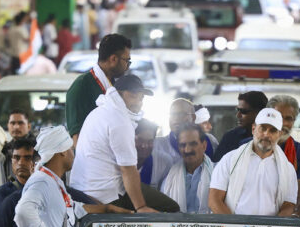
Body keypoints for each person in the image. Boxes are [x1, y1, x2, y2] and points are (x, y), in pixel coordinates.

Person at [71, 74, 177, 212]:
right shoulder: (119, 120)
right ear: (119, 94)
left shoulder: (99, 112)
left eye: (141, 97)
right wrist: (141, 207)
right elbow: (127, 170)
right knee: (170, 207)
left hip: (82, 188)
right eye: (133, 96)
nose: (138, 102)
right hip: (105, 193)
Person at [208, 108, 297, 216]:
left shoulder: (288, 169)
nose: (266, 134)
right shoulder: (229, 160)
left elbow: (288, 205)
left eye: (272, 130)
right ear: (253, 129)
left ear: (279, 134)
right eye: (262, 128)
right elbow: (214, 200)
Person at [65, 33, 131, 142]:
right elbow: (78, 138)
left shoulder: (115, 86)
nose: (127, 67)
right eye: (127, 61)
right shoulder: (82, 86)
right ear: (113, 59)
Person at [146, 99, 214, 188]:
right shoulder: (157, 146)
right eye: (172, 114)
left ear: (193, 118)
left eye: (181, 114)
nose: (176, 118)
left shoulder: (210, 141)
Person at [268, 94, 300, 204]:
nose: (283, 123)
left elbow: (299, 189)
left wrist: (286, 217)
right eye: (278, 117)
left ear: (294, 121)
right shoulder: (248, 146)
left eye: (288, 119)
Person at [160, 124, 214, 213]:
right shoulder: (169, 180)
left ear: (204, 146)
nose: (187, 150)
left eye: (193, 144)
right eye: (183, 145)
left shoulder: (217, 174)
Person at [212, 90, 267, 162]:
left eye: (243, 111)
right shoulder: (230, 137)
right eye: (237, 110)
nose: (238, 115)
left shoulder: (273, 137)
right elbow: (218, 166)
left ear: (259, 113)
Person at [135, 119, 159, 184]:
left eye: (150, 141)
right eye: (140, 140)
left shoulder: (163, 163)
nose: (144, 146)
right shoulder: (116, 162)